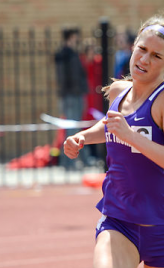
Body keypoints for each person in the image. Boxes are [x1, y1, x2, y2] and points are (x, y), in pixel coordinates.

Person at [64, 13, 164, 268]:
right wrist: (83, 137)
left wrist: (131, 136)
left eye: (156, 55)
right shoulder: (118, 91)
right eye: (142, 49)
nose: (144, 59)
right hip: (119, 220)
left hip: (163, 225)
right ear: (134, 45)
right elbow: (110, 125)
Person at [54, 27, 88, 169]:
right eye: (75, 36)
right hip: (70, 95)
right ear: (70, 37)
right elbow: (62, 76)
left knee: (76, 127)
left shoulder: (72, 53)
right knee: (71, 129)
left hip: (76, 94)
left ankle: (76, 160)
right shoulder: (64, 54)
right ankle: (68, 162)